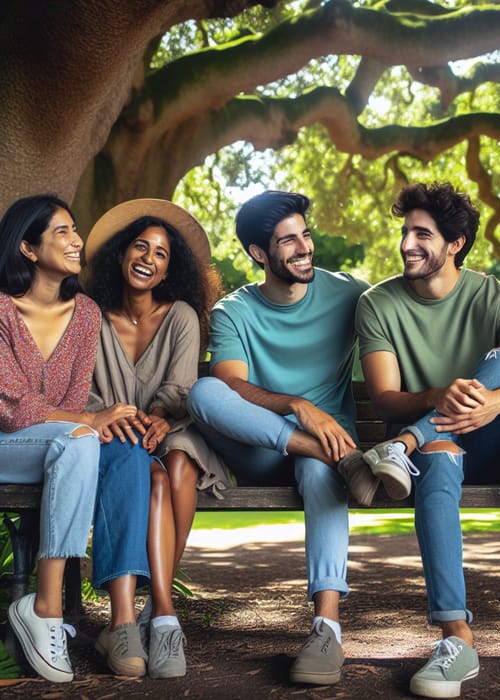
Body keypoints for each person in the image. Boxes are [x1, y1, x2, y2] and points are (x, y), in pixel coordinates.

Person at [354, 182, 500, 699]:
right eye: (405, 233)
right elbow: (385, 400)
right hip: (435, 453)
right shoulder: (378, 304)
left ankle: (406, 446)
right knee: (441, 460)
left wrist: (497, 401)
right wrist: (445, 394)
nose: (407, 244)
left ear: (455, 243)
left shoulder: (494, 296)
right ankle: (456, 638)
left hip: (490, 441)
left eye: (423, 234)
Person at [186, 190, 370, 686]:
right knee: (203, 390)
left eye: (304, 235)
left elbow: (410, 310)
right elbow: (229, 385)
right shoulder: (234, 311)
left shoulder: (349, 293)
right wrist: (297, 407)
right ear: (259, 253)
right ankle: (333, 455)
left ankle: (327, 628)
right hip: (264, 449)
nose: (304, 247)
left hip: (327, 454)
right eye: (288, 241)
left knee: (318, 468)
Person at [81, 199, 228, 679]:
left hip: (173, 428)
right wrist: (111, 417)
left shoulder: (182, 315)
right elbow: (89, 393)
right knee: (157, 482)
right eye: (140, 247)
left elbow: (180, 391)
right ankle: (160, 613)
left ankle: (160, 613)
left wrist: (161, 417)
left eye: (161, 254)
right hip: (113, 433)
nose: (148, 258)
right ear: (122, 257)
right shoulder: (91, 318)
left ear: (168, 270)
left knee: (180, 463)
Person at [0, 194, 120, 682]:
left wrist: (87, 422)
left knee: (81, 441)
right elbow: (8, 408)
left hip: (53, 447)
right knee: (81, 437)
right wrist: (87, 420)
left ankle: (45, 607)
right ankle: (46, 608)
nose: (77, 241)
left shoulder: (86, 312)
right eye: (63, 232)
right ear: (29, 248)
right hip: (5, 446)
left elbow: (73, 401)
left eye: (76, 229)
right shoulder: (2, 311)